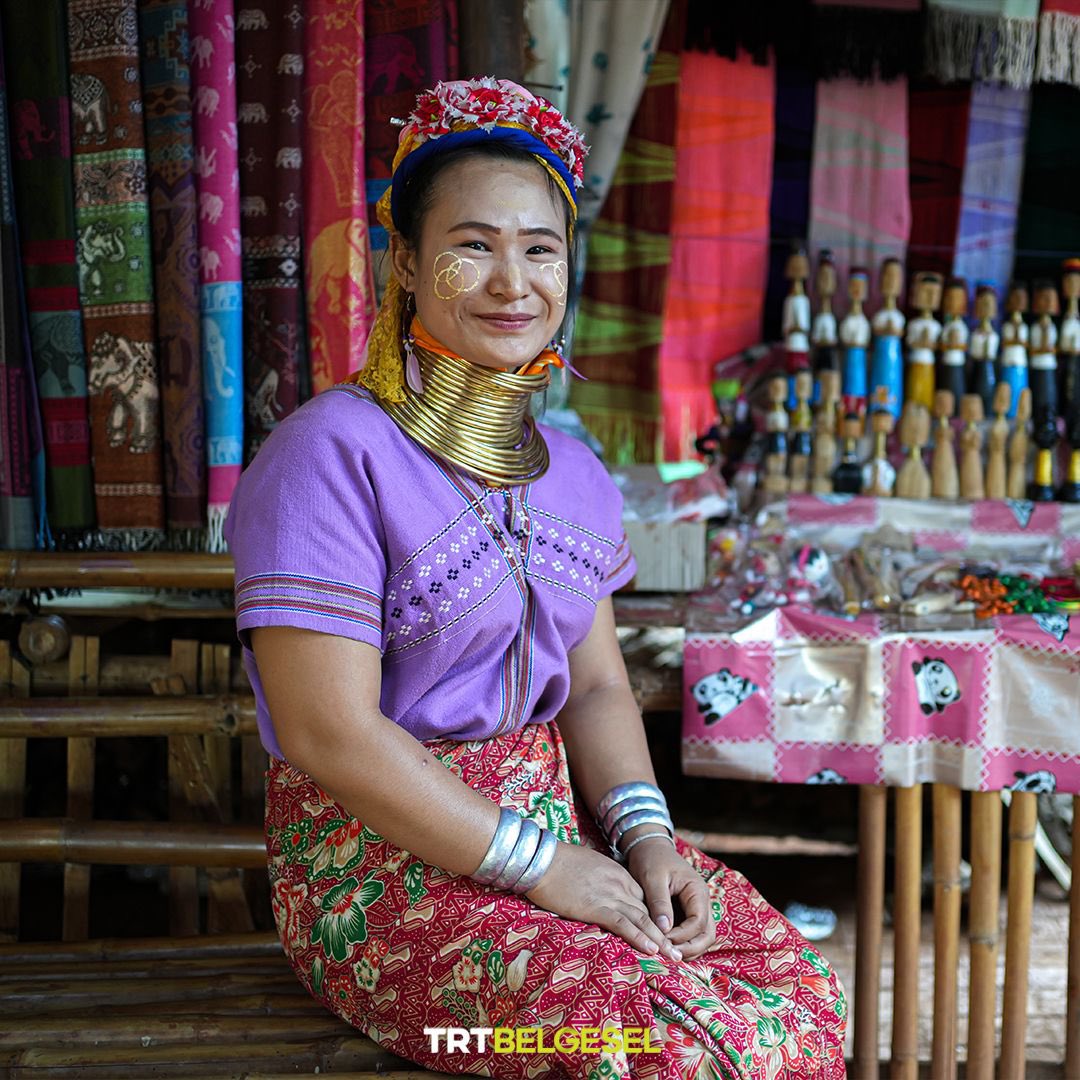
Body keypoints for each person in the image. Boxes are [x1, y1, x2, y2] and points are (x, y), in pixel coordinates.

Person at [223, 77, 847, 1080]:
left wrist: (647, 844)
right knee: (641, 1042)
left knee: (793, 991)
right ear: (411, 269)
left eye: (539, 248)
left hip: (569, 840)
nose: (512, 280)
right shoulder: (327, 455)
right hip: (384, 874)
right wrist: (544, 868)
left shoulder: (575, 473)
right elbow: (325, 731)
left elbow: (596, 684)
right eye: (473, 245)